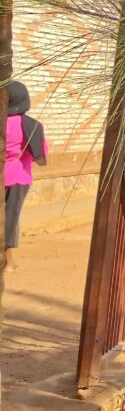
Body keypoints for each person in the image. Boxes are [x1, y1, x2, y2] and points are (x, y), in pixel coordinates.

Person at [5, 81, 48, 272]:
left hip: (2, 178)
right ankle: (7, 262)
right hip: (19, 179)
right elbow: (42, 151)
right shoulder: (31, 125)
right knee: (10, 218)